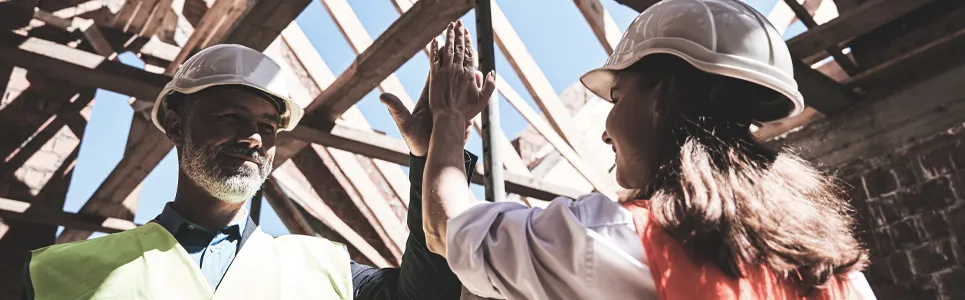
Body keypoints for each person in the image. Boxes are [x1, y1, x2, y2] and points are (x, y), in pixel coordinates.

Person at [391, 1, 879, 299]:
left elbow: (446, 231)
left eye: (617, 97)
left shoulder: (616, 239)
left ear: (660, 98)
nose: (605, 129)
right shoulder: (832, 272)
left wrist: (451, 120)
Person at [23, 43, 476, 300]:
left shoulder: (326, 271)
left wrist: (434, 154)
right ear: (177, 126)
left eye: (266, 125)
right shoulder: (59, 274)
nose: (254, 138)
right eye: (230, 118)